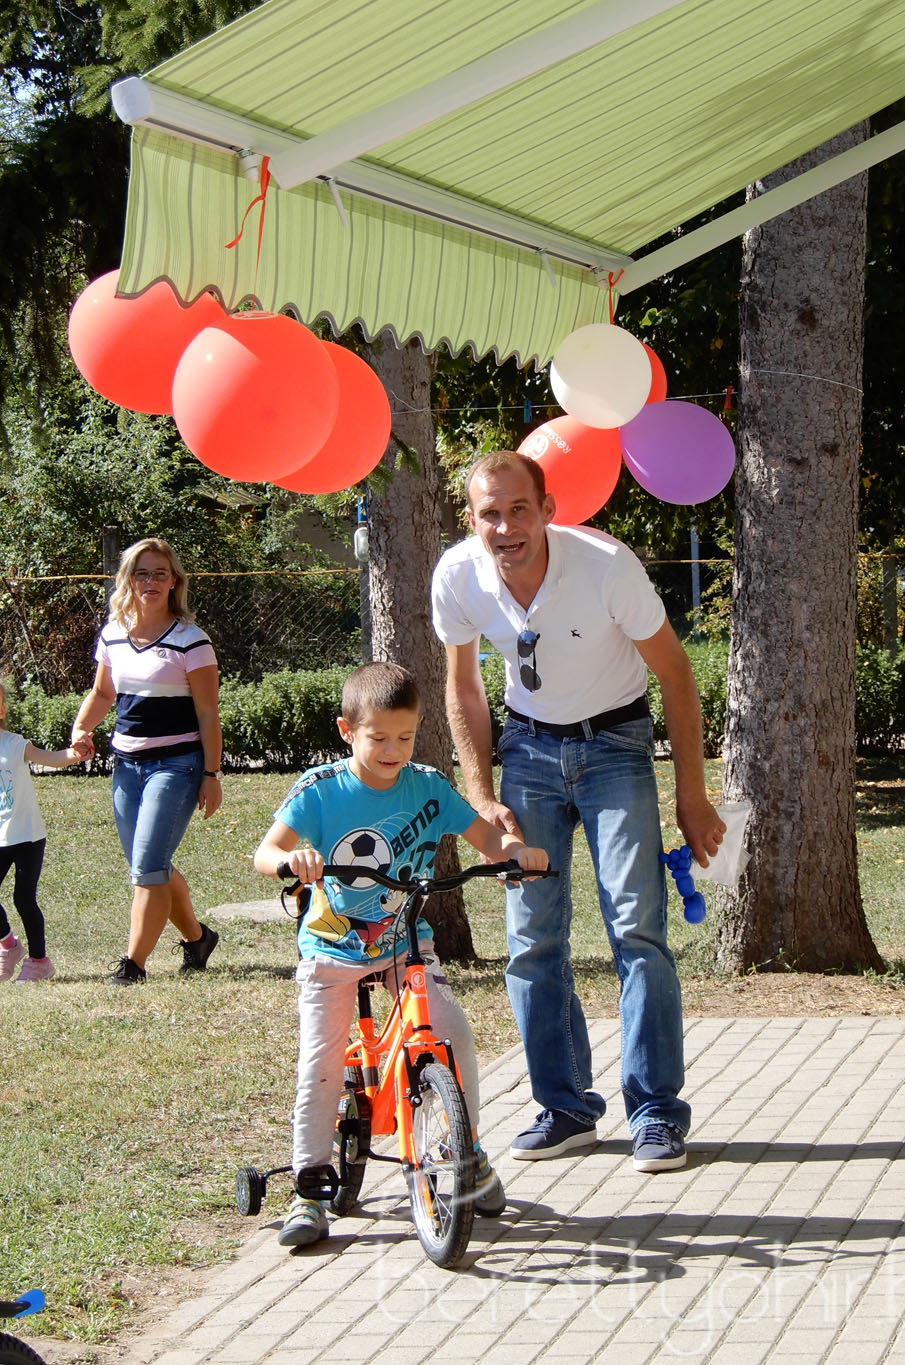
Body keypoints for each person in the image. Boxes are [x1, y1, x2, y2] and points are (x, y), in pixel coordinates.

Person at [431, 450, 726, 1173]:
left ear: (548, 510)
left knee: (637, 928)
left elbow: (676, 673)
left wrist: (691, 795)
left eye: (519, 510)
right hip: (528, 751)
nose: (506, 527)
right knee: (531, 937)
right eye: (490, 514)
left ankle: (656, 1113)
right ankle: (564, 1109)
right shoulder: (457, 576)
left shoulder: (605, 566)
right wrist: (481, 792)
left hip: (615, 745)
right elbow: (464, 687)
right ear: (472, 519)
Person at [253, 661, 548, 1248]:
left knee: (452, 1035)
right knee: (321, 1063)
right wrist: (292, 860)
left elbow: (485, 837)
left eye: (406, 737)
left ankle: (467, 1152)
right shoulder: (320, 790)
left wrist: (514, 849)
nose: (393, 750)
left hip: (405, 944)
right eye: (379, 737)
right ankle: (309, 1188)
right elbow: (265, 852)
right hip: (331, 948)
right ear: (347, 731)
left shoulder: (428, 787)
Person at [72, 538, 223, 985]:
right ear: (129, 580)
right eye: (142, 573)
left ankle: (133, 965)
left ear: (174, 581)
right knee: (150, 866)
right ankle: (198, 939)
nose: (151, 581)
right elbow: (103, 693)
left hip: (176, 766)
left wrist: (212, 774)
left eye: (160, 573)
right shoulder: (113, 633)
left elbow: (208, 714)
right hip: (126, 767)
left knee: (148, 867)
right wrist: (81, 729)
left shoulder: (191, 640)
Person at [0, 682, 92, 983]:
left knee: (23, 899)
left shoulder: (13, 744)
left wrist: (74, 754)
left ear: (2, 710)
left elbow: (50, 758)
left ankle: (39, 962)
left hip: (26, 835)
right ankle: (9, 946)